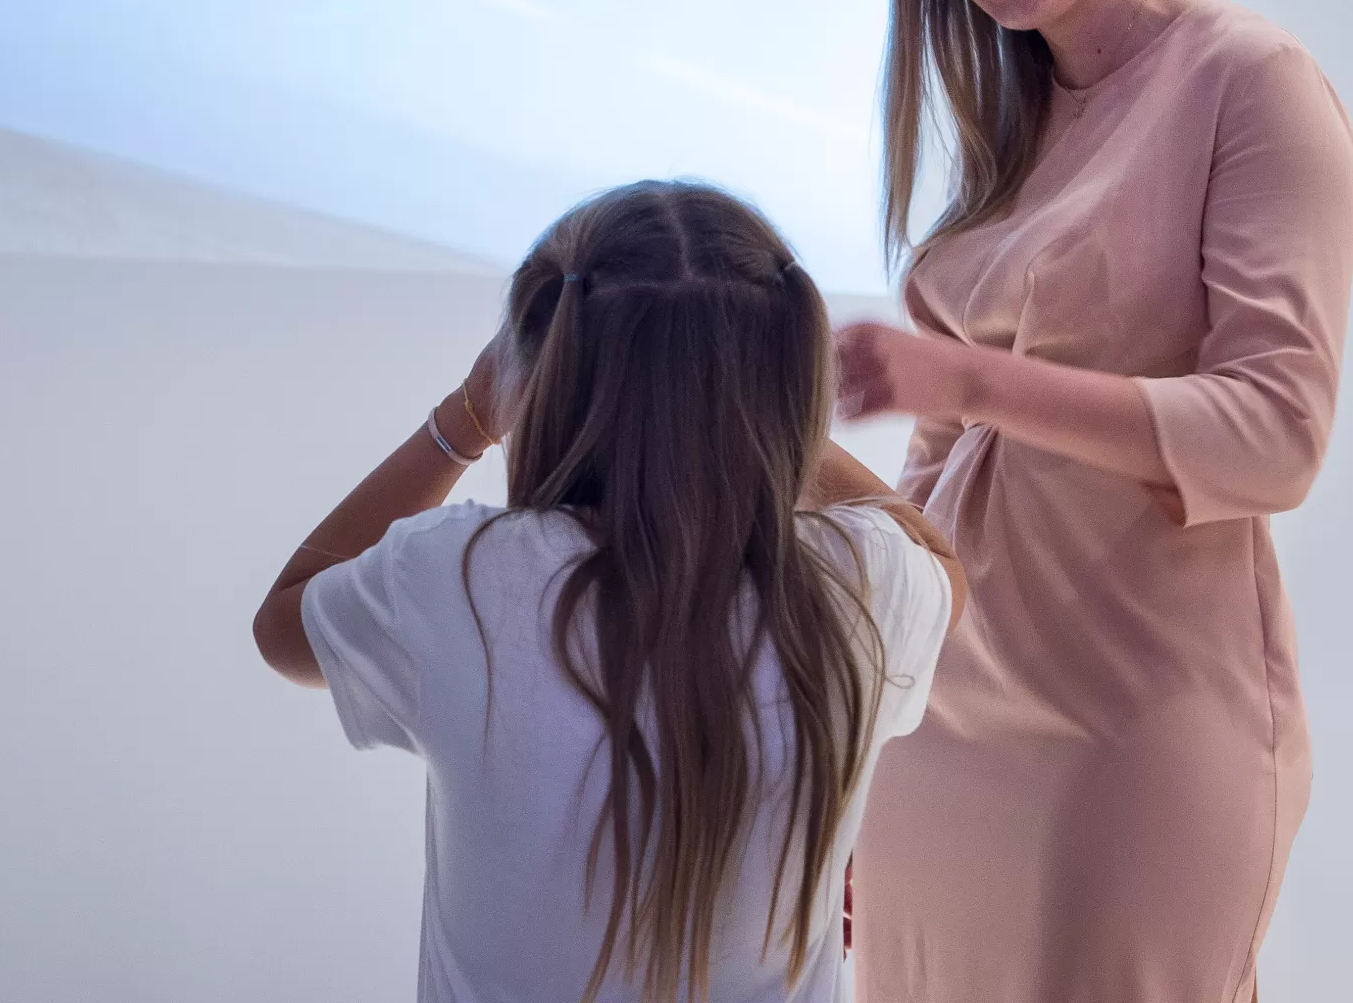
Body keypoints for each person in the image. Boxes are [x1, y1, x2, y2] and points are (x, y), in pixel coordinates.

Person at [834, 0, 1353, 1003]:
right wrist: (855, 752)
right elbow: (931, 502)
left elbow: (1276, 433)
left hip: (1138, 739)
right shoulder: (1011, 131)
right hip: (940, 741)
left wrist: (962, 383)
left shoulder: (1252, 82)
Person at [254, 181, 966, 1003]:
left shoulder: (461, 577)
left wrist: (464, 419)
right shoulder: (858, 585)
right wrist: (757, 422)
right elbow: (937, 557)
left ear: (531, 375)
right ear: (787, 381)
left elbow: (285, 623)